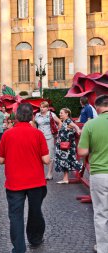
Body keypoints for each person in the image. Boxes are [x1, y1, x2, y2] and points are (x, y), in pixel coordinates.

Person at [0, 103, 50, 253]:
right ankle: (35, 239)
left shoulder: (7, 134)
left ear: (16, 117)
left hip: (14, 182)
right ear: (32, 117)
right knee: (35, 211)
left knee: (15, 216)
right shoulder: (38, 134)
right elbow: (46, 160)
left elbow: (1, 160)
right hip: (36, 181)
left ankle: (19, 248)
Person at [78, 95, 108, 253]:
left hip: (99, 173)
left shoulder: (91, 124)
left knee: (101, 213)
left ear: (97, 108)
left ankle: (103, 248)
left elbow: (82, 151)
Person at [32, 101, 62, 180]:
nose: (41, 108)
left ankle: (50, 173)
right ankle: (40, 172)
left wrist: (57, 132)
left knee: (50, 155)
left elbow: (59, 122)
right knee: (38, 155)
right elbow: (34, 123)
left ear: (47, 108)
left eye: (43, 107)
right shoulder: (37, 115)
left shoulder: (51, 114)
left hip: (49, 137)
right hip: (39, 137)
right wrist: (35, 131)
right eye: (40, 107)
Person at [54, 108, 82, 184]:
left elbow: (75, 126)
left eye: (61, 113)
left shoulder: (68, 121)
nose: (59, 114)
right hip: (63, 146)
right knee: (65, 161)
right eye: (60, 113)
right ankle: (65, 179)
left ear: (67, 114)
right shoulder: (64, 122)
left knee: (70, 160)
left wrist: (78, 129)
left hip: (67, 147)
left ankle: (82, 169)